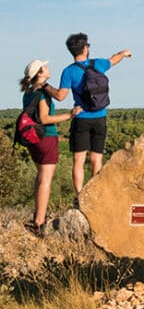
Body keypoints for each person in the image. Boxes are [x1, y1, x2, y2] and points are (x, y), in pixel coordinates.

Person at [44, 33, 132, 199]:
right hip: (100, 117)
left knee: (78, 161)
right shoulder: (98, 64)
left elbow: (61, 96)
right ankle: (95, 195)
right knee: (96, 159)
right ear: (85, 48)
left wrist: (45, 86)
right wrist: (124, 53)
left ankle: (79, 197)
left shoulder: (69, 71)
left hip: (81, 118)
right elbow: (114, 59)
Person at [19, 59, 80, 237]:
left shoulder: (28, 93)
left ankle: (37, 217)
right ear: (39, 73)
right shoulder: (42, 94)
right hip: (46, 137)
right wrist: (69, 115)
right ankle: (39, 222)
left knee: (40, 178)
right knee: (46, 179)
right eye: (44, 68)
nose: (48, 69)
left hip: (32, 140)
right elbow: (44, 119)